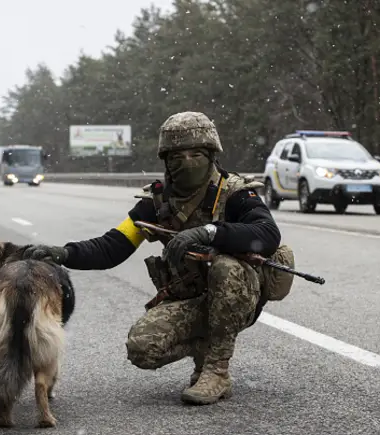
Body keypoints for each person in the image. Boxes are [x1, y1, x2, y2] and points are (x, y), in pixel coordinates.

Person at [22, 111, 295, 405]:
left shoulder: (235, 193)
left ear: (212, 155)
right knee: (143, 348)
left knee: (227, 268)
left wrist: (209, 232)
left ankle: (217, 370)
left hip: (239, 296)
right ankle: (204, 347)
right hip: (191, 299)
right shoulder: (158, 202)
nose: (188, 162)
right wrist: (64, 253)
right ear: (166, 160)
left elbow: (266, 233)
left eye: (197, 154)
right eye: (178, 156)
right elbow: (113, 246)